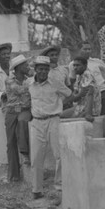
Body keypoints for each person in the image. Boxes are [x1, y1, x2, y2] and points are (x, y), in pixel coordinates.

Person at [27, 56, 72, 200]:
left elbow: (70, 95)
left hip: (54, 120)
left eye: (46, 69)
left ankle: (59, 185)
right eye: (40, 69)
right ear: (35, 69)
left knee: (59, 154)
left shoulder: (55, 83)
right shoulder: (28, 84)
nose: (43, 72)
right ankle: (36, 189)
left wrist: (59, 105)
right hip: (36, 122)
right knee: (36, 157)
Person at [3, 54, 32, 182]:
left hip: (24, 110)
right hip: (11, 112)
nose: (28, 67)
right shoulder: (10, 80)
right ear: (18, 67)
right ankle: (13, 175)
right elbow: (20, 90)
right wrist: (32, 84)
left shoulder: (28, 79)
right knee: (10, 143)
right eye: (25, 65)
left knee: (22, 124)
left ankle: (25, 154)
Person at [75, 42, 105, 115]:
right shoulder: (74, 64)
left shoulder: (96, 61)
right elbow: (73, 79)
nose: (88, 51)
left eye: (89, 49)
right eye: (85, 49)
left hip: (102, 91)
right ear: (79, 50)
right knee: (89, 115)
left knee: (103, 116)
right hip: (86, 94)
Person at [62, 56, 101, 121]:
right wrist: (79, 95)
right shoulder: (79, 76)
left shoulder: (87, 75)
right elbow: (75, 96)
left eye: (78, 65)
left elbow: (90, 95)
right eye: (74, 65)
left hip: (90, 109)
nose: (75, 68)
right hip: (80, 106)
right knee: (61, 115)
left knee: (72, 122)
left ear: (85, 66)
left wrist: (88, 114)